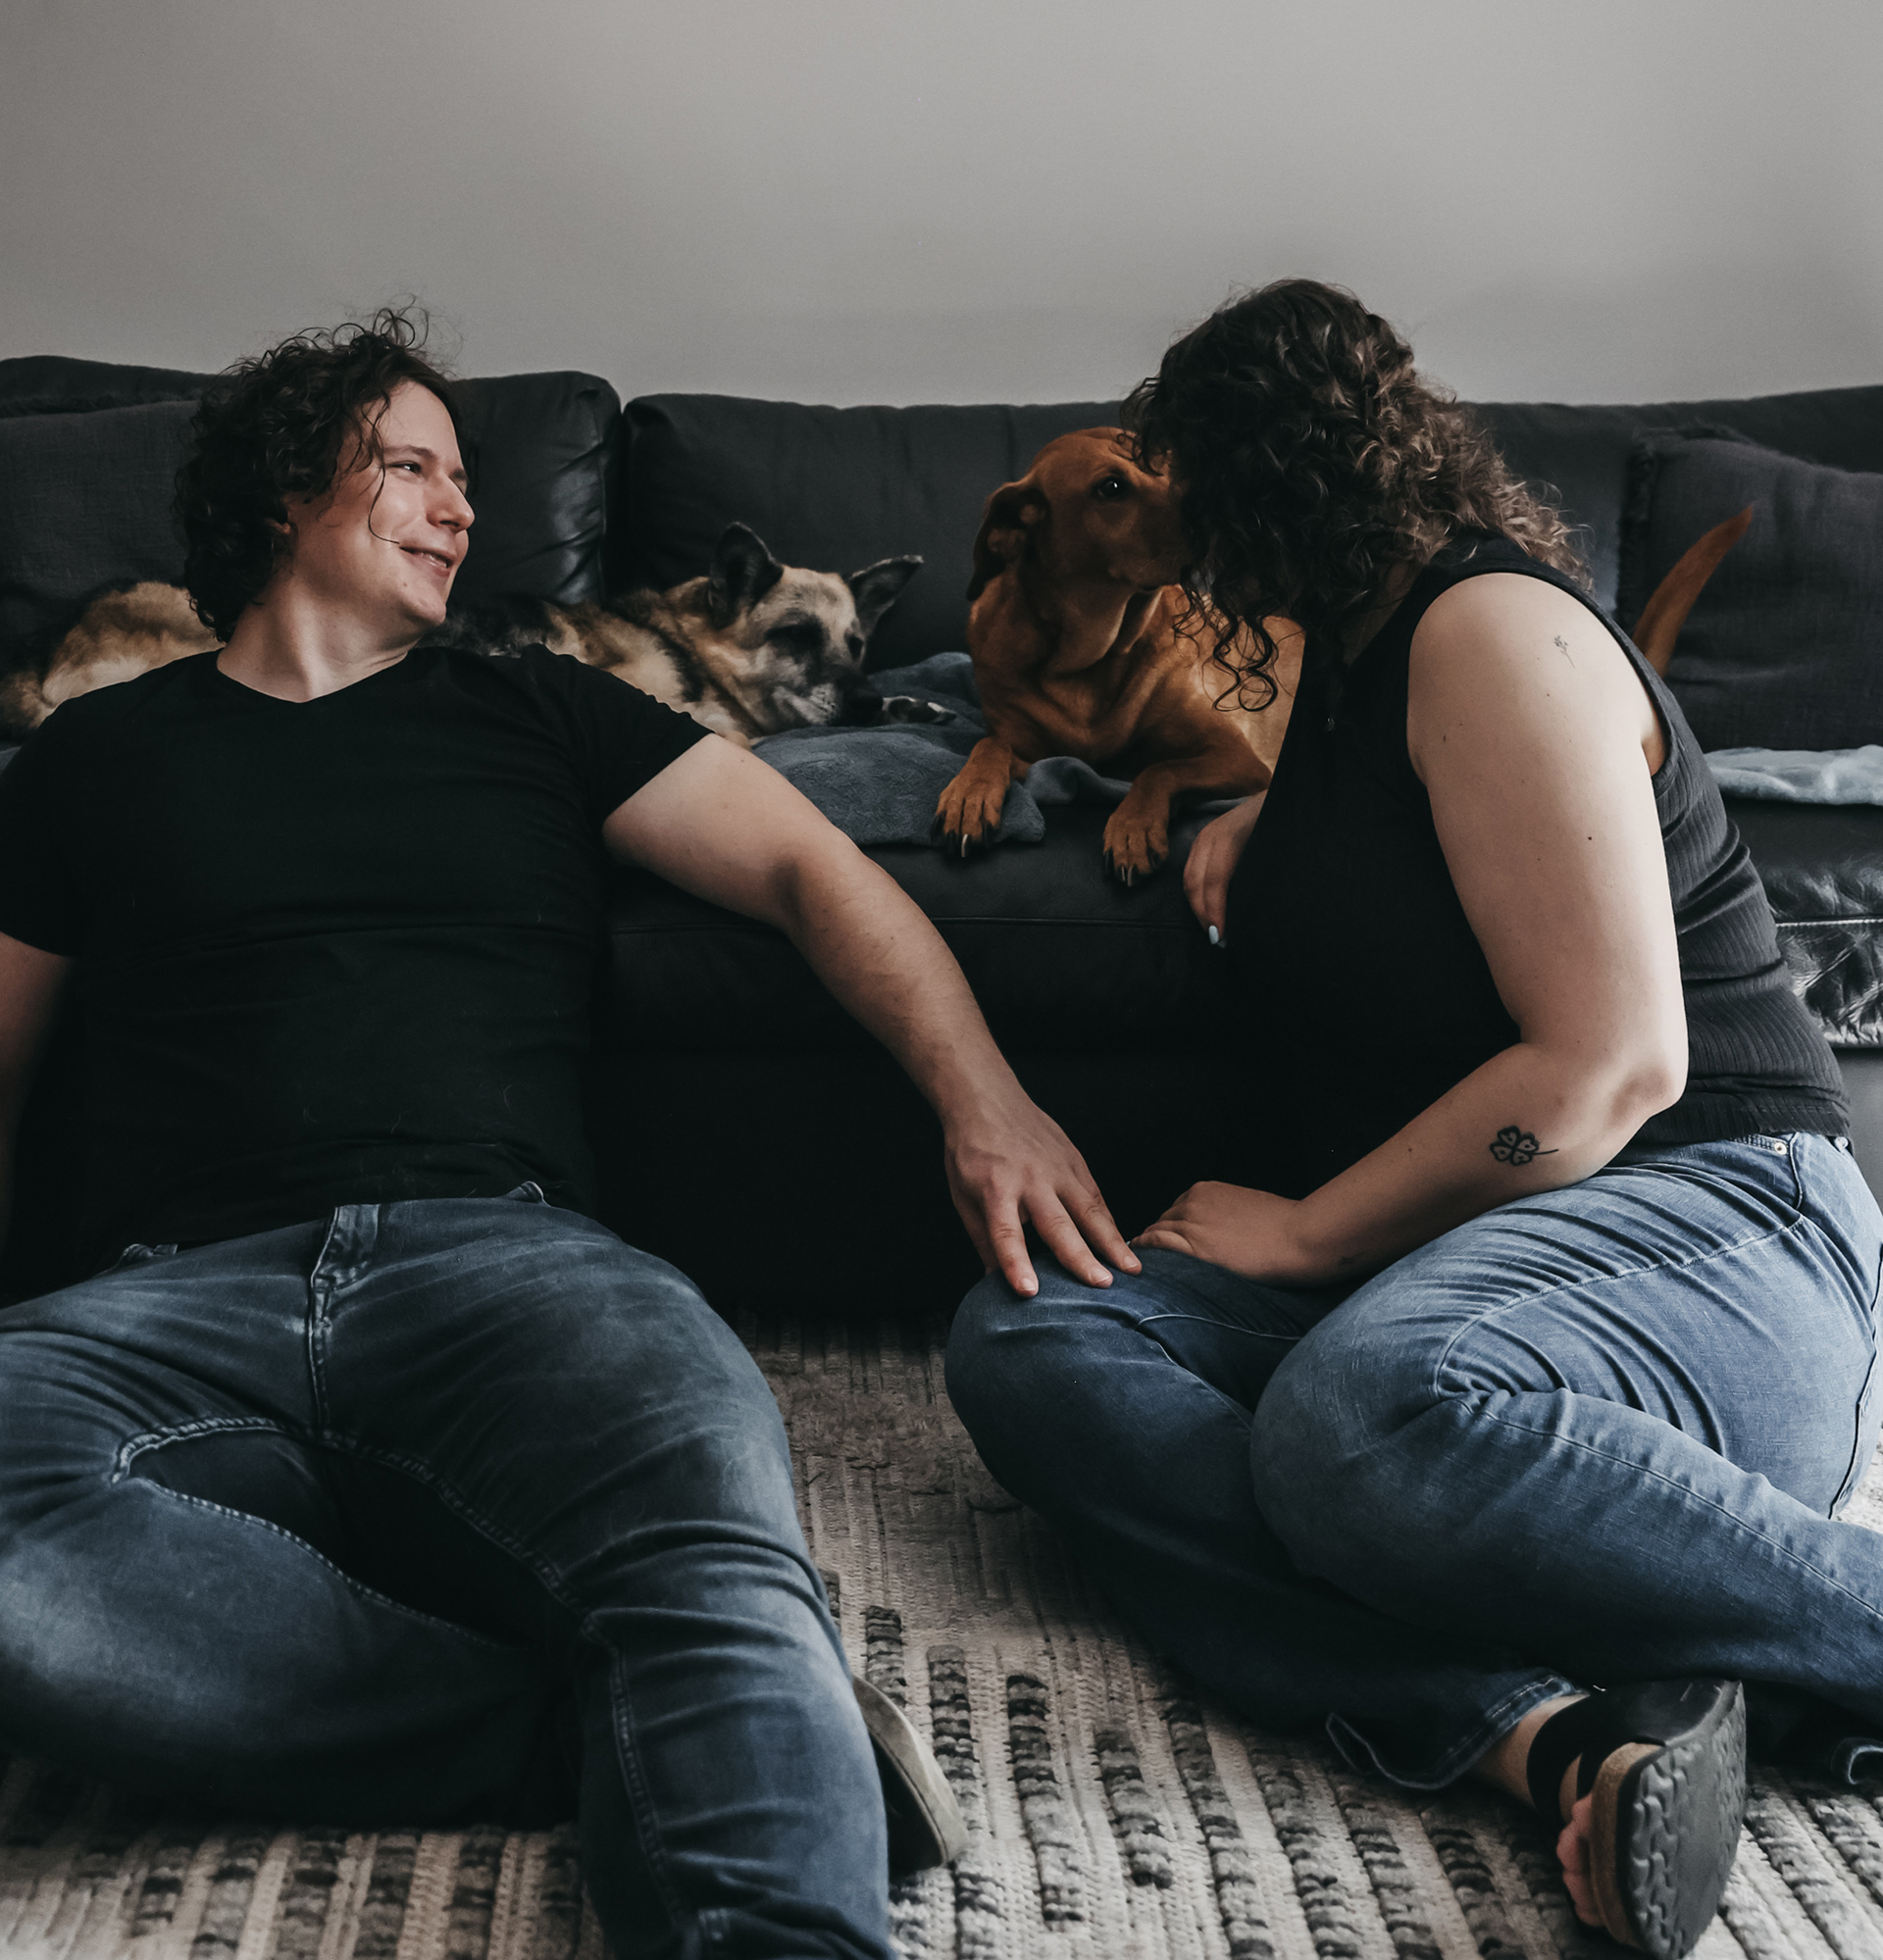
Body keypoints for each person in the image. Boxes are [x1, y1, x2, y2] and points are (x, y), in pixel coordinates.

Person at [0, 313, 1134, 1960]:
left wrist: (989, 1102)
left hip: (512, 1269)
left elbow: (814, 869)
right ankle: (570, 1729)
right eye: (412, 467)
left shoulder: (538, 706)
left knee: (711, 1545)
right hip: (172, 1297)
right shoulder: (88, 756)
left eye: (466, 477)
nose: (462, 507)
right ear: (284, 493)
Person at [946, 276, 1883, 1960]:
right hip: (1470, 1274)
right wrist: (1264, 828)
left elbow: (1610, 1069)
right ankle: (1560, 1729)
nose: (1184, 550)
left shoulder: (1490, 633)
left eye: (1196, 498)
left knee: (1351, 1422)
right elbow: (1397, 845)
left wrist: (1308, 1233)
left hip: (1715, 1226)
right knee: (1032, 1347)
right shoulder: (1347, 660)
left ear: (1272, 490)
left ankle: (1833, 1633)